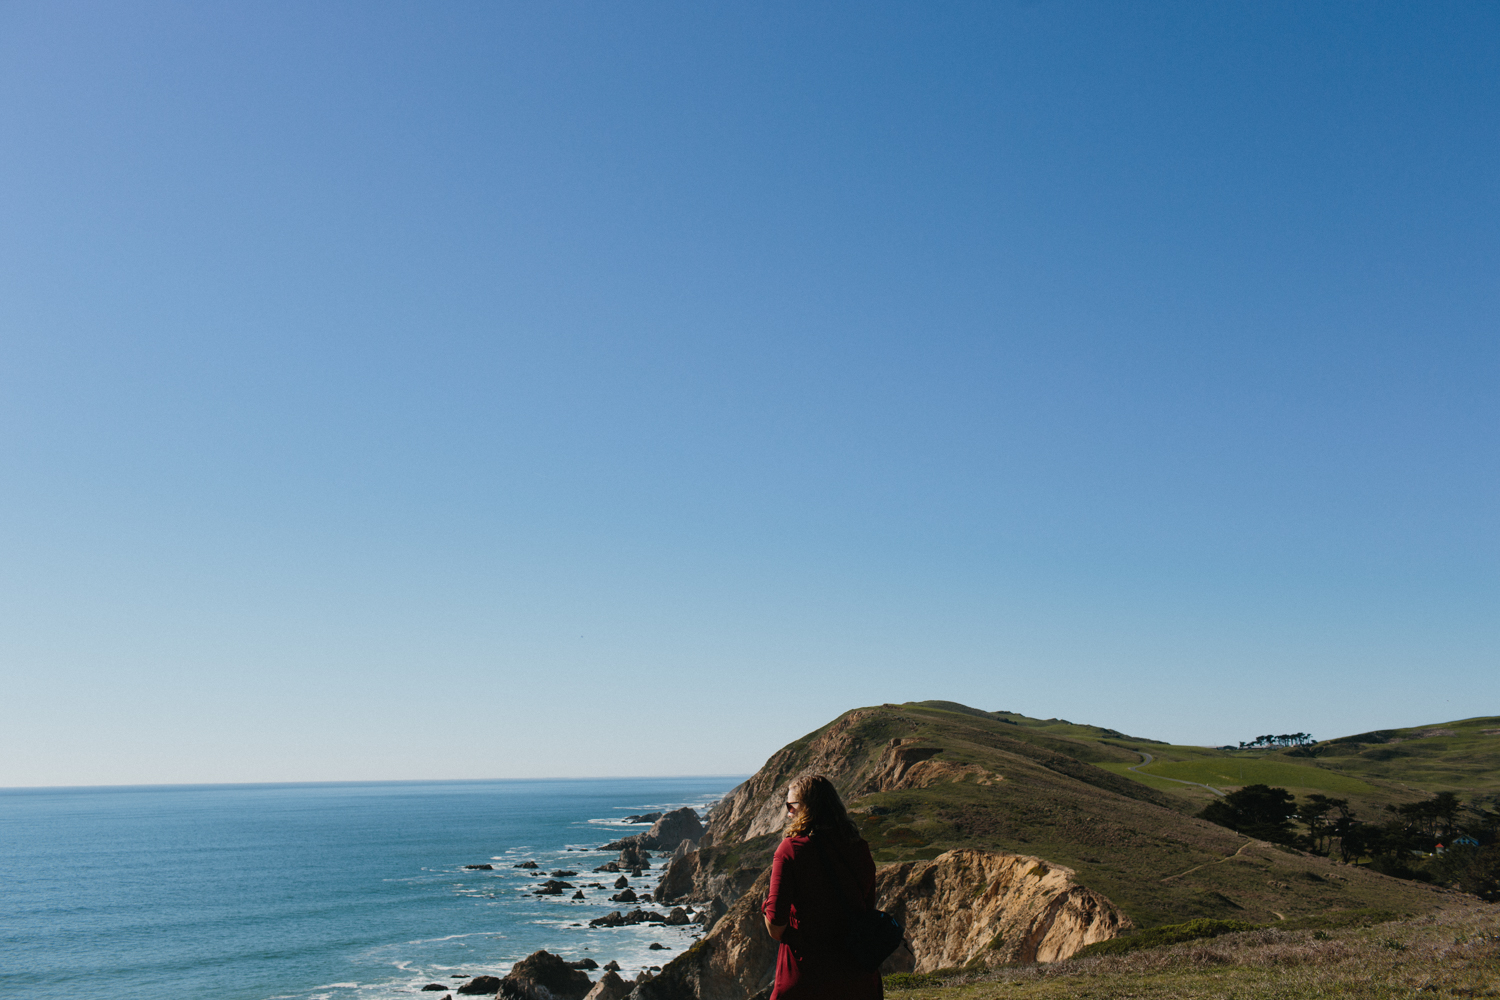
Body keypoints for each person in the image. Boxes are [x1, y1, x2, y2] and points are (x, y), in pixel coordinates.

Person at [761, 775, 882, 1000]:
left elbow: (775, 927)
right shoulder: (859, 847)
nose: (788, 813)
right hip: (857, 979)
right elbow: (866, 910)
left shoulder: (791, 850)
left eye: (791, 806)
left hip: (807, 977)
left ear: (806, 808)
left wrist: (766, 906)